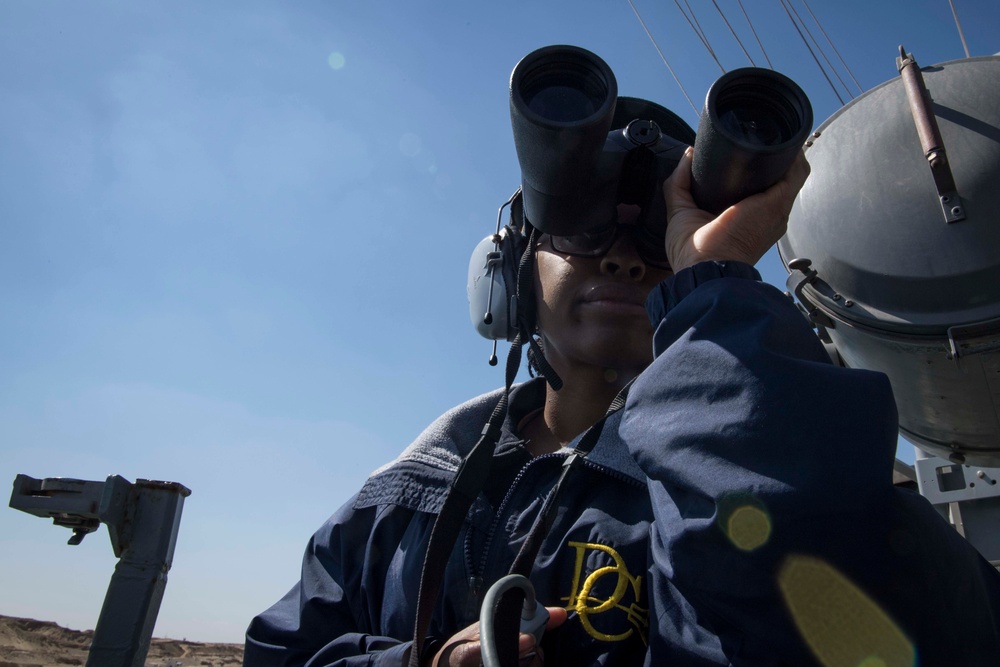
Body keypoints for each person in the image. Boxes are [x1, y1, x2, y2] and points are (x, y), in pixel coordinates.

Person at [244, 143, 1000, 666]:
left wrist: (714, 282)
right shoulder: (402, 499)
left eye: (654, 239)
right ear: (509, 274)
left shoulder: (809, 468)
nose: (624, 254)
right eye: (581, 225)